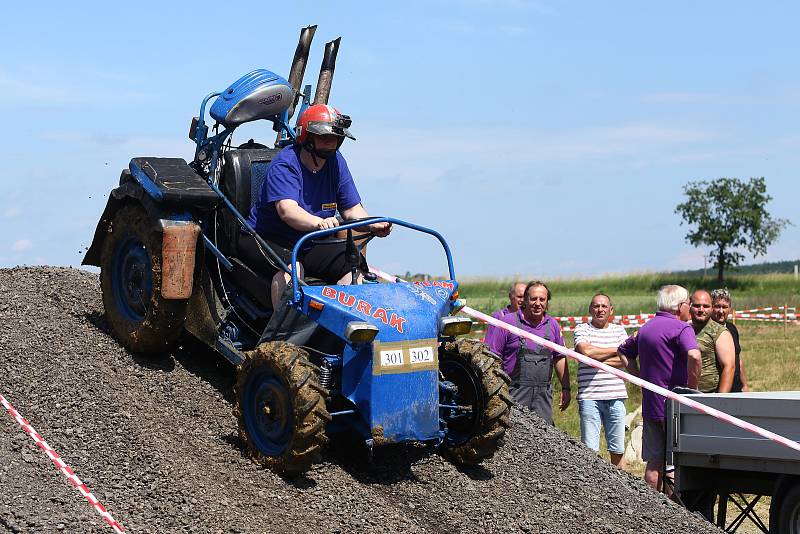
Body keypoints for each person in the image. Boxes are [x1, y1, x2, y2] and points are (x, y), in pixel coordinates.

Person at [240, 104, 391, 309]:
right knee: (293, 269)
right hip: (265, 238)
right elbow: (288, 211)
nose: (331, 144)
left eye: (335, 138)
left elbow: (351, 210)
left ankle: (349, 331)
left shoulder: (337, 163)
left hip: (309, 242)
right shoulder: (285, 163)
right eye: (324, 137)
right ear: (306, 138)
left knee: (352, 266)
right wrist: (319, 223)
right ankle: (281, 336)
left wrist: (373, 225)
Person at [618, 285, 702, 491]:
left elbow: (623, 351)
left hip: (651, 404)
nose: (689, 308)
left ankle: (652, 509)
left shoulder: (645, 328)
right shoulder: (682, 328)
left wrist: (639, 379)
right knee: (674, 462)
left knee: (653, 462)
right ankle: (672, 511)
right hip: (675, 406)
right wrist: (692, 389)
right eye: (689, 304)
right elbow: (694, 355)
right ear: (680, 306)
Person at [487, 281, 570, 424]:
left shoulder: (553, 325)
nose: (538, 303)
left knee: (544, 434)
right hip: (513, 392)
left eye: (542, 299)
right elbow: (493, 357)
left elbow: (559, 358)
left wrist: (566, 387)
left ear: (547, 302)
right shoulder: (508, 322)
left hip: (543, 396)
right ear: (525, 300)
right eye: (533, 299)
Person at [572, 294, 629, 468]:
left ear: (611, 310)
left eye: (604, 306)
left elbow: (626, 360)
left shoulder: (619, 330)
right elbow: (586, 352)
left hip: (616, 396)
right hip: (590, 397)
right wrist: (617, 350)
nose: (600, 310)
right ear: (590, 309)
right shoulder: (582, 329)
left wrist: (597, 358)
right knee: (589, 451)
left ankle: (623, 487)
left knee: (618, 449)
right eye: (596, 306)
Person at [689, 289, 736, 393]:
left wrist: (720, 400)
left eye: (706, 306)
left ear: (711, 308)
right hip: (684, 395)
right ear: (689, 306)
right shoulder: (684, 329)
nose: (701, 310)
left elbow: (729, 367)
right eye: (697, 306)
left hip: (708, 396)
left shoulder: (720, 332)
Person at [710, 288, 749, 392]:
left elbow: (737, 358)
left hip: (736, 389)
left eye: (725, 307)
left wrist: (744, 385)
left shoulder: (732, 328)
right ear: (711, 307)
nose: (721, 311)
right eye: (717, 306)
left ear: (730, 309)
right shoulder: (706, 330)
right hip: (718, 391)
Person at [484, 282, 526, 346]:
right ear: (510, 296)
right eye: (519, 297)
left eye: (525, 297)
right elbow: (488, 344)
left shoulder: (530, 317)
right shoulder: (498, 316)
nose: (522, 300)